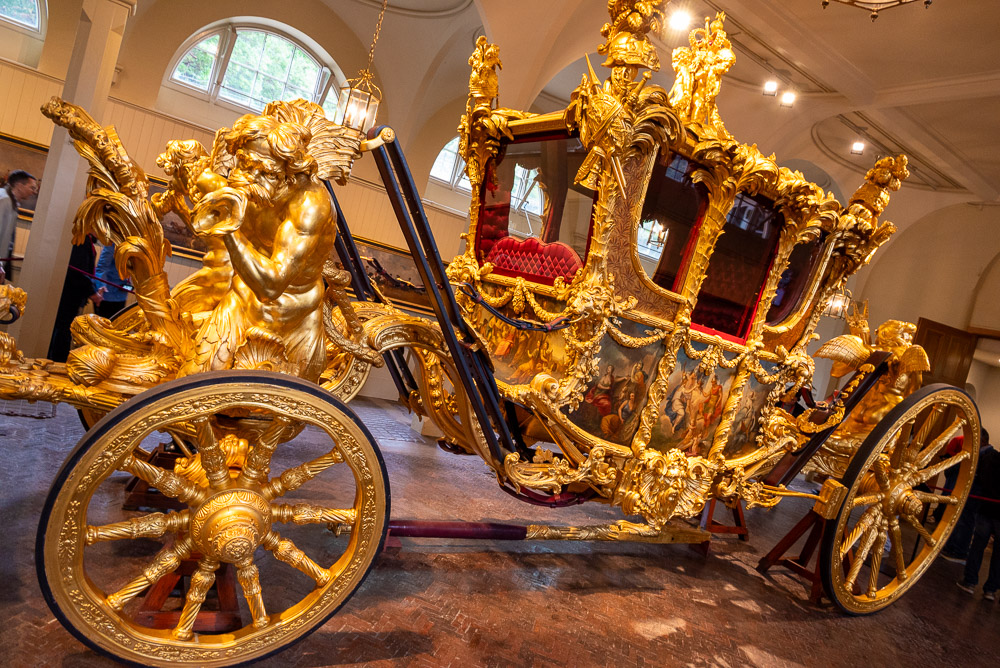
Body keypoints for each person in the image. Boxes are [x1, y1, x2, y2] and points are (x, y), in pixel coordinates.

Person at [47, 235, 103, 362]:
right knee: (63, 330)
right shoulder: (81, 241)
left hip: (75, 294)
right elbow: (77, 272)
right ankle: (57, 362)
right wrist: (92, 292)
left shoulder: (87, 241)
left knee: (64, 330)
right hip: (70, 294)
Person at [958, 430, 1000, 601]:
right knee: (998, 554)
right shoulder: (993, 457)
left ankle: (970, 582)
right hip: (995, 511)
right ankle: (990, 589)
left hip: (987, 507)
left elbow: (983, 480)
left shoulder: (993, 459)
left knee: (978, 546)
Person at [0, 170, 39, 280]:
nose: (34, 192)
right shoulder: (4, 200)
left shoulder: (11, 201)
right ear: (19, 186)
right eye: (32, 187)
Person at [94, 244, 131, 318]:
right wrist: (100, 288)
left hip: (122, 294)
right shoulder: (113, 243)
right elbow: (102, 267)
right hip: (106, 294)